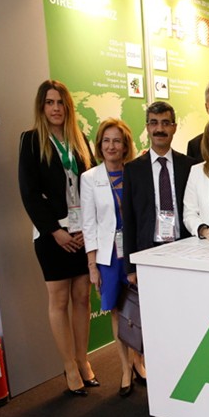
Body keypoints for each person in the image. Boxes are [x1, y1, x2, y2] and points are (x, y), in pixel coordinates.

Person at [18, 79, 97, 396]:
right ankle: (69, 367)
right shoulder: (31, 141)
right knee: (60, 300)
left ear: (68, 106)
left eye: (60, 102)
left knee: (82, 297)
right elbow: (29, 194)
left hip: (82, 232)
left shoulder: (80, 140)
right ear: (42, 106)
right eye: (49, 102)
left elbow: (92, 185)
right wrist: (56, 231)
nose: (55, 108)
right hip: (52, 234)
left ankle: (83, 360)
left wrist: (86, 228)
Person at [81, 119, 138, 397]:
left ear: (125, 145)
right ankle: (125, 368)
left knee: (137, 309)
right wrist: (92, 266)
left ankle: (139, 362)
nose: (111, 146)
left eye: (117, 140)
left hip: (134, 251)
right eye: (106, 140)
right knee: (116, 311)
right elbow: (89, 224)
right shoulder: (89, 178)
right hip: (108, 257)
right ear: (99, 145)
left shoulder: (134, 173)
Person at [122, 101, 196, 283]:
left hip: (185, 248)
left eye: (165, 123)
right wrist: (130, 267)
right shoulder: (133, 170)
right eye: (154, 123)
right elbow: (129, 220)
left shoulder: (190, 166)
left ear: (174, 127)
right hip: (148, 251)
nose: (160, 129)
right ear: (147, 127)